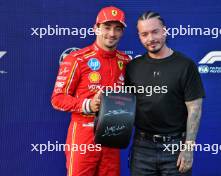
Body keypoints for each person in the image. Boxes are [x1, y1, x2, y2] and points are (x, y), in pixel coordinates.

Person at [51, 6, 130, 176]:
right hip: (83, 134)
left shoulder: (126, 61)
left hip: (113, 135)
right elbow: (57, 98)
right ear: (96, 28)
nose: (111, 33)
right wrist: (88, 104)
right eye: (107, 27)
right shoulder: (77, 59)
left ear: (122, 32)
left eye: (117, 28)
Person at [125, 11, 205, 176]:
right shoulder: (133, 67)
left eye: (155, 32)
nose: (150, 39)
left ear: (165, 31)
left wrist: (188, 149)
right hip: (142, 148)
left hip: (175, 147)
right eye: (144, 34)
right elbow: (124, 103)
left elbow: (195, 110)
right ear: (139, 36)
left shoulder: (185, 65)